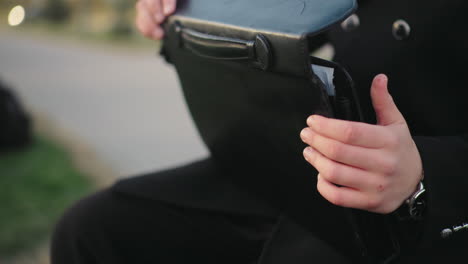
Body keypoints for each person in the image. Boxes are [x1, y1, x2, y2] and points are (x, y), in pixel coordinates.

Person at [51, 0, 468, 263]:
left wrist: (426, 172)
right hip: (304, 160)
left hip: (422, 209)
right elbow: (284, 16)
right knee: (92, 230)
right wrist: (183, 9)